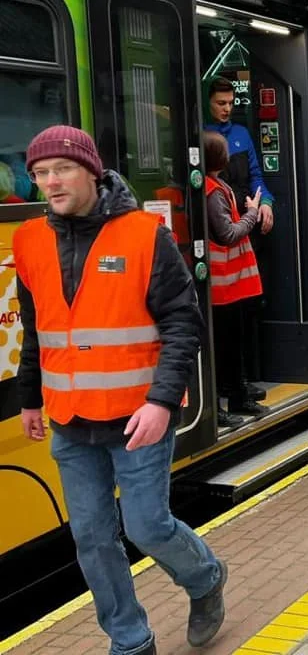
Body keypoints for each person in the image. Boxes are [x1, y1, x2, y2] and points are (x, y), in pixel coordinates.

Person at [15, 126, 226, 655]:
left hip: (138, 416)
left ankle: (205, 578)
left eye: (60, 169)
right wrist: (29, 398)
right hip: (69, 418)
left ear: (90, 169)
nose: (50, 183)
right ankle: (130, 640)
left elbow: (184, 323)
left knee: (147, 527)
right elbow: (37, 328)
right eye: (39, 174)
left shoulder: (142, 234)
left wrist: (160, 402)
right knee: (90, 537)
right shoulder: (29, 241)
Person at [205, 77, 275, 402]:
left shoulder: (242, 135)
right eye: (221, 103)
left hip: (244, 240)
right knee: (228, 325)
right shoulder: (203, 136)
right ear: (208, 102)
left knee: (246, 315)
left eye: (231, 103)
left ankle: (242, 381)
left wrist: (266, 204)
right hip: (228, 245)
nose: (226, 109)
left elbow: (257, 176)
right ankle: (232, 385)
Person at [203, 131, 266, 427]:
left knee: (231, 341)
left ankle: (237, 394)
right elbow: (227, 234)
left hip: (230, 283)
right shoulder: (212, 191)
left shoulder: (216, 186)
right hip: (223, 284)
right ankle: (223, 403)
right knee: (224, 344)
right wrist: (252, 214)